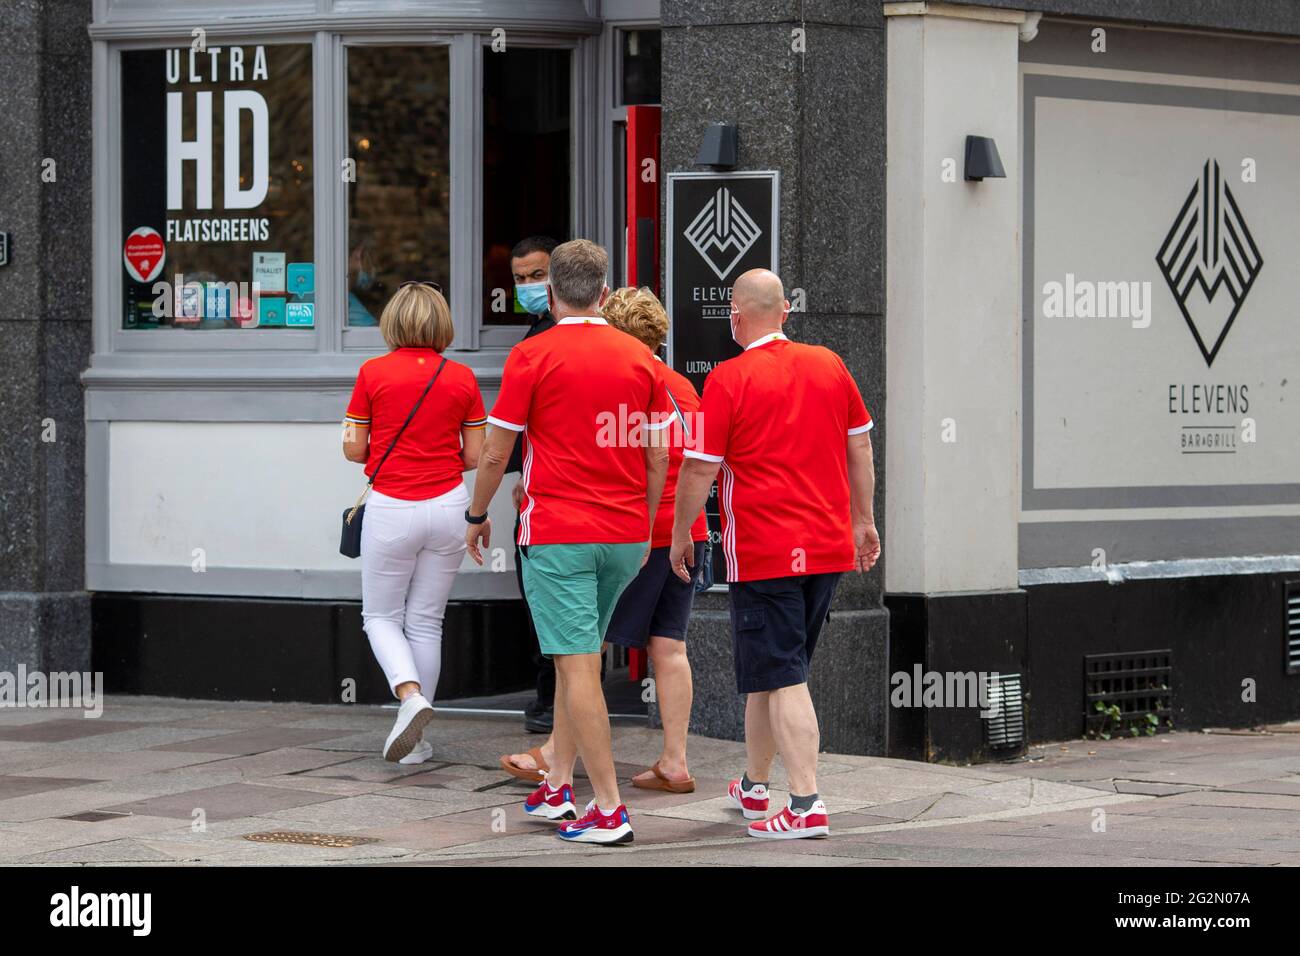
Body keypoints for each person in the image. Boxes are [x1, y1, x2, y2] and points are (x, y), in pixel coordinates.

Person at [466, 240, 670, 845]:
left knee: (576, 665)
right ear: (604, 295)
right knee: (575, 656)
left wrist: (476, 513)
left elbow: (498, 449)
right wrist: (646, 517)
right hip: (626, 534)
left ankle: (607, 809)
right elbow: (659, 453)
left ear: (551, 293)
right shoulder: (642, 360)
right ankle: (557, 786)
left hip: (558, 532)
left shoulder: (533, 355)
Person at [669, 268, 881, 840]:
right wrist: (863, 520)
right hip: (827, 546)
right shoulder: (830, 364)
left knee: (784, 675)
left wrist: (680, 530)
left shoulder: (727, 380)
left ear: (736, 317)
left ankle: (807, 802)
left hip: (763, 551)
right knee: (772, 670)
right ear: (785, 311)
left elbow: (698, 466)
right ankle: (755, 785)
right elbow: (859, 443)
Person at [343, 281, 487, 764]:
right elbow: (474, 455)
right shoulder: (463, 377)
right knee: (427, 621)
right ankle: (417, 741)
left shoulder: (372, 372)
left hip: (391, 507)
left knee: (381, 616)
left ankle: (409, 697)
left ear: (392, 322)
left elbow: (354, 449)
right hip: (449, 505)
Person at [601, 286, 709, 794]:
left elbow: (648, 459)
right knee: (670, 646)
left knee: (580, 645)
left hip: (640, 530)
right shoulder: (684, 386)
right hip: (689, 531)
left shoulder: (625, 382)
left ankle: (558, 757)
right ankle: (675, 761)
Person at [504, 236, 560, 744]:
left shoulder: (546, 341)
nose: (528, 287)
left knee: (546, 598)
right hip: (541, 483)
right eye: (520, 278)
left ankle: (551, 700)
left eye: (536, 275)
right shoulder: (533, 333)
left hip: (551, 495)